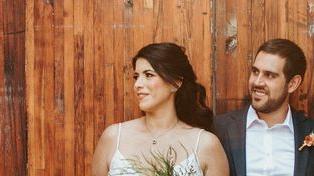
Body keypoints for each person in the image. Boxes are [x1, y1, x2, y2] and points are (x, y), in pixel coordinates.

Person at [214, 39, 314, 176]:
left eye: (269, 75)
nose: (257, 82)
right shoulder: (219, 129)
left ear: (292, 84)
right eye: (255, 72)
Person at [93, 42, 229, 176]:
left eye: (149, 75)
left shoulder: (206, 144)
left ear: (175, 83)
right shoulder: (113, 137)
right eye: (136, 77)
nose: (137, 84)